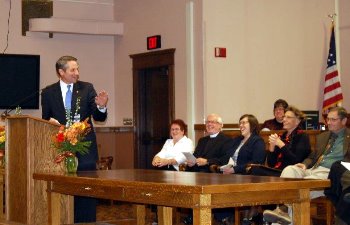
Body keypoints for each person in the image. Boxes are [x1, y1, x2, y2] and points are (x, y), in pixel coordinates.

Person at [41, 55, 108, 223]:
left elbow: (98, 117)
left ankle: (86, 222)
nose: (77, 73)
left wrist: (101, 105)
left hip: (85, 148)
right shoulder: (48, 92)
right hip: (61, 148)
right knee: (62, 186)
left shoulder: (87, 88)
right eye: (73, 70)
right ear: (61, 72)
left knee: (86, 187)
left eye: (77, 69)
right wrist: (52, 124)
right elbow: (45, 119)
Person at [263, 106, 350, 225]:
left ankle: (282, 210)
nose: (329, 122)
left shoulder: (348, 138)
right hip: (312, 170)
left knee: (298, 190)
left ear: (344, 121)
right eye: (328, 119)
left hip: (330, 174)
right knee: (290, 170)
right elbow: (311, 156)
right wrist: (304, 164)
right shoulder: (323, 136)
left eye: (333, 120)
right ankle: (283, 210)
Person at [251, 106, 311, 177]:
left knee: (256, 171)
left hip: (291, 172)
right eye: (284, 117)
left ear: (297, 121)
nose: (284, 120)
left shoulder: (302, 136)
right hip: (278, 171)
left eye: (288, 117)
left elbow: (296, 160)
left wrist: (281, 145)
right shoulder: (282, 136)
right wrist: (272, 147)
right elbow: (271, 164)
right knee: (254, 169)